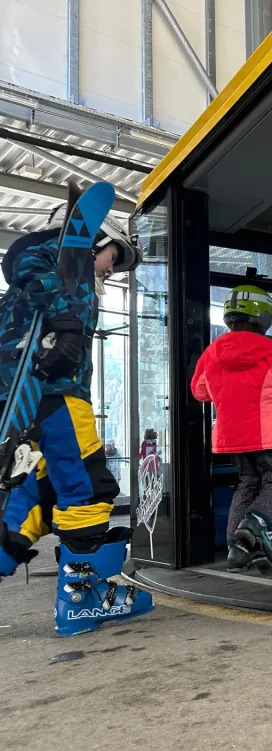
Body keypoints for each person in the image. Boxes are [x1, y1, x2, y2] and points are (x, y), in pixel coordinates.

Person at [0, 203, 153, 637]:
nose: (112, 268)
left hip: (25, 392)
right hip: (55, 393)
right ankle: (82, 598)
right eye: (113, 256)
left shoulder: (54, 277)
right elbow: (28, 264)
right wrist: (68, 324)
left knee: (39, 491)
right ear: (94, 241)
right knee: (87, 485)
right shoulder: (58, 259)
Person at [191, 285, 272, 576]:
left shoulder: (212, 353)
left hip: (232, 436)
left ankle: (236, 552)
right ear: (263, 318)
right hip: (271, 434)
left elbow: (199, 391)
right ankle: (255, 523)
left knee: (248, 483)